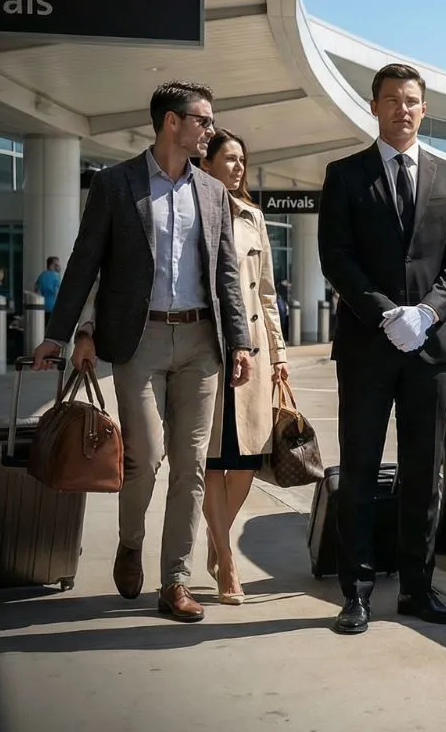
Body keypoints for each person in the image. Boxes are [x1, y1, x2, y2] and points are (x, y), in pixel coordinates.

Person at [31, 80, 254, 623]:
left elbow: (225, 272)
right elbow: (86, 263)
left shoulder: (212, 193)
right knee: (146, 458)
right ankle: (131, 541)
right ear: (171, 123)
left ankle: (174, 581)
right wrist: (62, 334)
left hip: (203, 342)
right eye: (201, 120)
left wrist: (241, 340)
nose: (209, 130)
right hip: (140, 340)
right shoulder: (115, 184)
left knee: (192, 464)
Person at [318, 62, 446, 635]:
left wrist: (428, 312)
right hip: (367, 345)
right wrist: (386, 313)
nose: (402, 109)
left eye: (411, 100)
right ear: (374, 105)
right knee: (359, 470)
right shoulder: (344, 175)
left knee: (423, 472)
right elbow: (335, 256)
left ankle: (417, 589)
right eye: (391, 100)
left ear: (423, 109)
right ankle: (355, 592)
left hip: (431, 350)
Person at [198, 128, 288, 606]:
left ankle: (216, 536)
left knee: (249, 457)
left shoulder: (254, 216)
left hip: (252, 352)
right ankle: (227, 562)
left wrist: (279, 355)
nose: (237, 167)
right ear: (206, 164)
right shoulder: (195, 212)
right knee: (214, 456)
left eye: (241, 161)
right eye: (228, 159)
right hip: (208, 350)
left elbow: (268, 293)